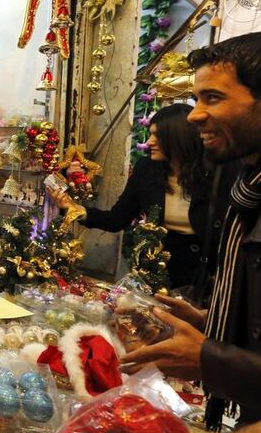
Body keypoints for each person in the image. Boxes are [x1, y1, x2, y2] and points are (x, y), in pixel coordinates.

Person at [119, 31, 261, 430]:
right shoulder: (249, 188)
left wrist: (210, 359)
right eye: (197, 98)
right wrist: (213, 321)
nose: (195, 114)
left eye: (213, 98)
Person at [48, 103, 235, 294]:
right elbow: (117, 219)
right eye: (150, 134)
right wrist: (73, 207)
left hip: (211, 278)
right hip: (161, 273)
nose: (149, 142)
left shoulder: (222, 173)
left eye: (158, 136)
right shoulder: (148, 170)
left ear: (179, 139)